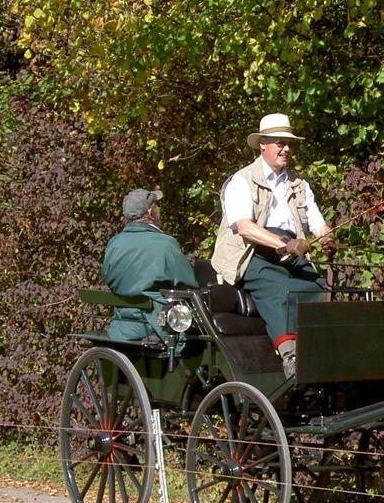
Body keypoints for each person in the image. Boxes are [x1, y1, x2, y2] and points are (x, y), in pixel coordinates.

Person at [210, 113, 335, 376]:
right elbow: (244, 227)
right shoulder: (241, 181)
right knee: (280, 289)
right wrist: (284, 244)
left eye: (289, 144)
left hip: (291, 250)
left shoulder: (299, 184)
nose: (286, 148)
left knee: (319, 286)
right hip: (251, 253)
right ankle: (290, 355)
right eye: (279, 143)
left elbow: (317, 223)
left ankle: (321, 347)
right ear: (262, 144)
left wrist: (327, 239)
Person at [101, 187, 197, 341]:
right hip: (159, 327)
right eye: (157, 206)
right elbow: (188, 285)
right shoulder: (165, 244)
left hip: (121, 326)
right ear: (151, 212)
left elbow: (107, 278)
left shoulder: (114, 243)